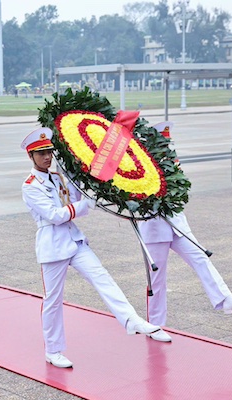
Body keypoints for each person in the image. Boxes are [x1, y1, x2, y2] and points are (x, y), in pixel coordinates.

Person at [20, 128, 170, 369]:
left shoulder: (57, 177)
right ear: (31, 156)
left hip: (74, 240)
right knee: (53, 301)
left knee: (103, 278)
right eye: (41, 153)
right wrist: (84, 206)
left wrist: (83, 179)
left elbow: (72, 199)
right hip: (53, 245)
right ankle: (53, 350)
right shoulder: (30, 185)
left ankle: (131, 319)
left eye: (49, 152)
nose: (47, 157)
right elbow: (54, 215)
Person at [138, 122, 232, 327]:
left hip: (177, 225)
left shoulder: (170, 162)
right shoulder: (141, 165)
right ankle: (156, 325)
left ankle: (226, 299)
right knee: (157, 279)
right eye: (163, 142)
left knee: (201, 258)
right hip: (154, 228)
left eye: (167, 142)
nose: (167, 146)